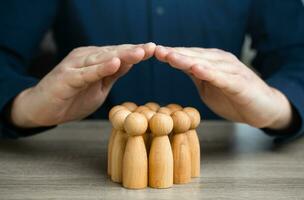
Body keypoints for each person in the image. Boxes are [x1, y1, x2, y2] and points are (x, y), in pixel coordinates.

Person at [0, 1, 303, 143]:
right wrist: (22, 107)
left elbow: (297, 55)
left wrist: (281, 108)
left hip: (217, 166)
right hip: (85, 161)